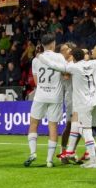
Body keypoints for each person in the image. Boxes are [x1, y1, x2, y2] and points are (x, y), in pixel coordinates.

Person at [39, 45, 96, 169]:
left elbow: (55, 66)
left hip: (84, 104)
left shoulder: (74, 67)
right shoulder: (94, 64)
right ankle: (81, 152)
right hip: (95, 102)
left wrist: (42, 58)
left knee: (86, 131)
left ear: (74, 58)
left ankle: (93, 161)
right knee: (80, 127)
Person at [25, 34, 67, 168]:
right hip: (55, 97)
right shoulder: (60, 57)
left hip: (40, 95)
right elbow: (66, 74)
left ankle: (33, 153)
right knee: (53, 126)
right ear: (53, 44)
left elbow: (36, 82)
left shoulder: (36, 60)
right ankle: (49, 160)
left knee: (33, 123)